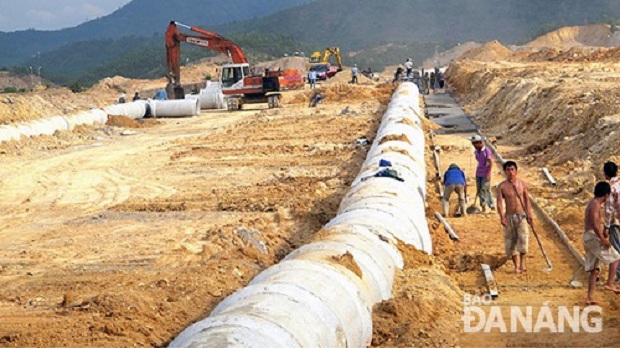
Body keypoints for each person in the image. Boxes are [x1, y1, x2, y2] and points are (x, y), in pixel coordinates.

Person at [584, 181, 620, 305]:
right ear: (605, 195)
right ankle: (610, 283)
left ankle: (590, 297)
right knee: (615, 258)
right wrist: (603, 239)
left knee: (594, 269)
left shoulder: (593, 203)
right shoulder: (595, 205)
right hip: (592, 237)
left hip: (590, 237)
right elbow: (594, 224)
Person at [496, 161, 532, 274]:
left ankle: (522, 264)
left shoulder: (522, 184)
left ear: (516, 171)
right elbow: (499, 203)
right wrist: (502, 216)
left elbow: (526, 200)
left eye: (512, 169)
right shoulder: (502, 186)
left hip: (521, 216)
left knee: (523, 238)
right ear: (505, 172)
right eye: (508, 170)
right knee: (511, 241)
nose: (510, 172)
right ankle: (516, 266)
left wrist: (529, 215)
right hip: (509, 216)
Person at [603, 161, 620, 281]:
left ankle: (618, 274)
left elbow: (609, 209)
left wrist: (606, 226)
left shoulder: (610, 188)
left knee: (616, 248)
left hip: (616, 221)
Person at [470, 134, 495, 212]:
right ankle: (483, 207)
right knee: (479, 190)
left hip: (485, 174)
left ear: (479, 142)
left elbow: (491, 163)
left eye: (474, 143)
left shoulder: (486, 151)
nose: (473, 145)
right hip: (478, 173)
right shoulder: (476, 151)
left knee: (485, 190)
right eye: (472, 143)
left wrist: (488, 174)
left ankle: (492, 206)